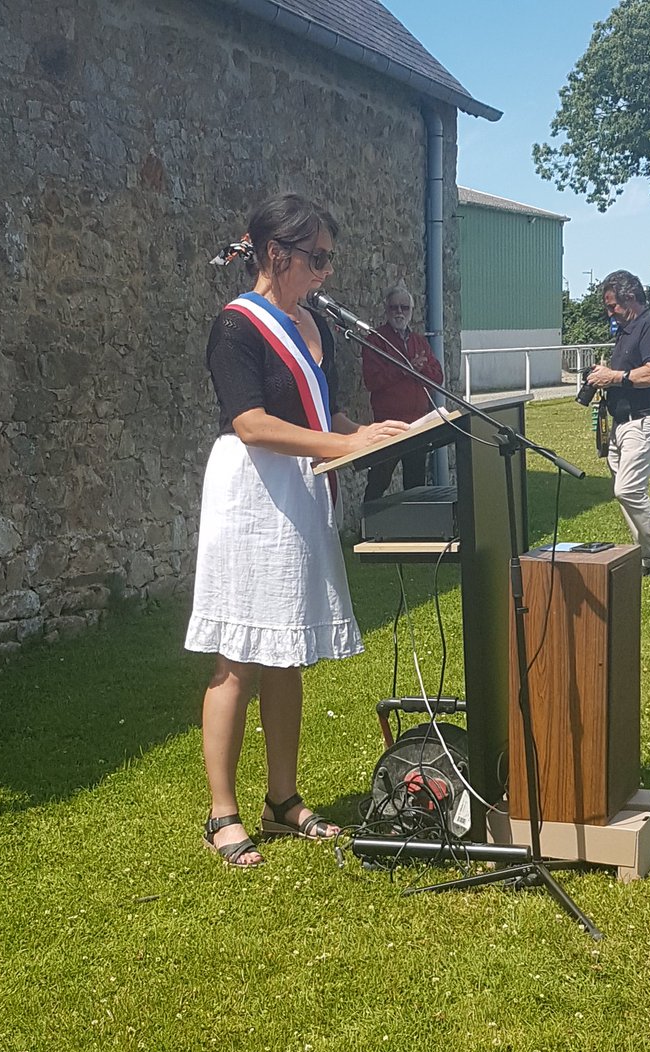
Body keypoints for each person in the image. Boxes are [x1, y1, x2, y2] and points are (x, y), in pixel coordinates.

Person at [185, 194, 409, 868]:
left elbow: (327, 412)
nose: (325, 273)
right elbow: (249, 421)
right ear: (275, 255)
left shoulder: (318, 327)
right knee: (237, 657)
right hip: (251, 493)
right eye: (317, 259)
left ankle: (281, 801)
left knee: (286, 652)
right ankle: (221, 812)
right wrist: (341, 445)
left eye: (330, 260)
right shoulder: (236, 326)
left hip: (302, 490)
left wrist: (371, 436)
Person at [586, 270, 650, 581]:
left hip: (647, 419)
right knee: (623, 490)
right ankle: (647, 553)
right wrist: (605, 375)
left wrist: (614, 377)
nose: (609, 311)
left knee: (628, 489)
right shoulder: (625, 330)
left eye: (612, 305)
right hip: (623, 422)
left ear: (630, 298)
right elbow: (627, 372)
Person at [361, 282, 444, 503]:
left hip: (418, 423)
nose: (399, 312)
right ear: (386, 310)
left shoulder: (420, 341)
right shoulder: (376, 340)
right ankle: (366, 527)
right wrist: (405, 369)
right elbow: (372, 380)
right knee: (379, 480)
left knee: (416, 483)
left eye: (404, 308)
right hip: (388, 425)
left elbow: (437, 377)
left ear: (411, 311)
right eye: (394, 307)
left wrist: (419, 368)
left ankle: (415, 530)